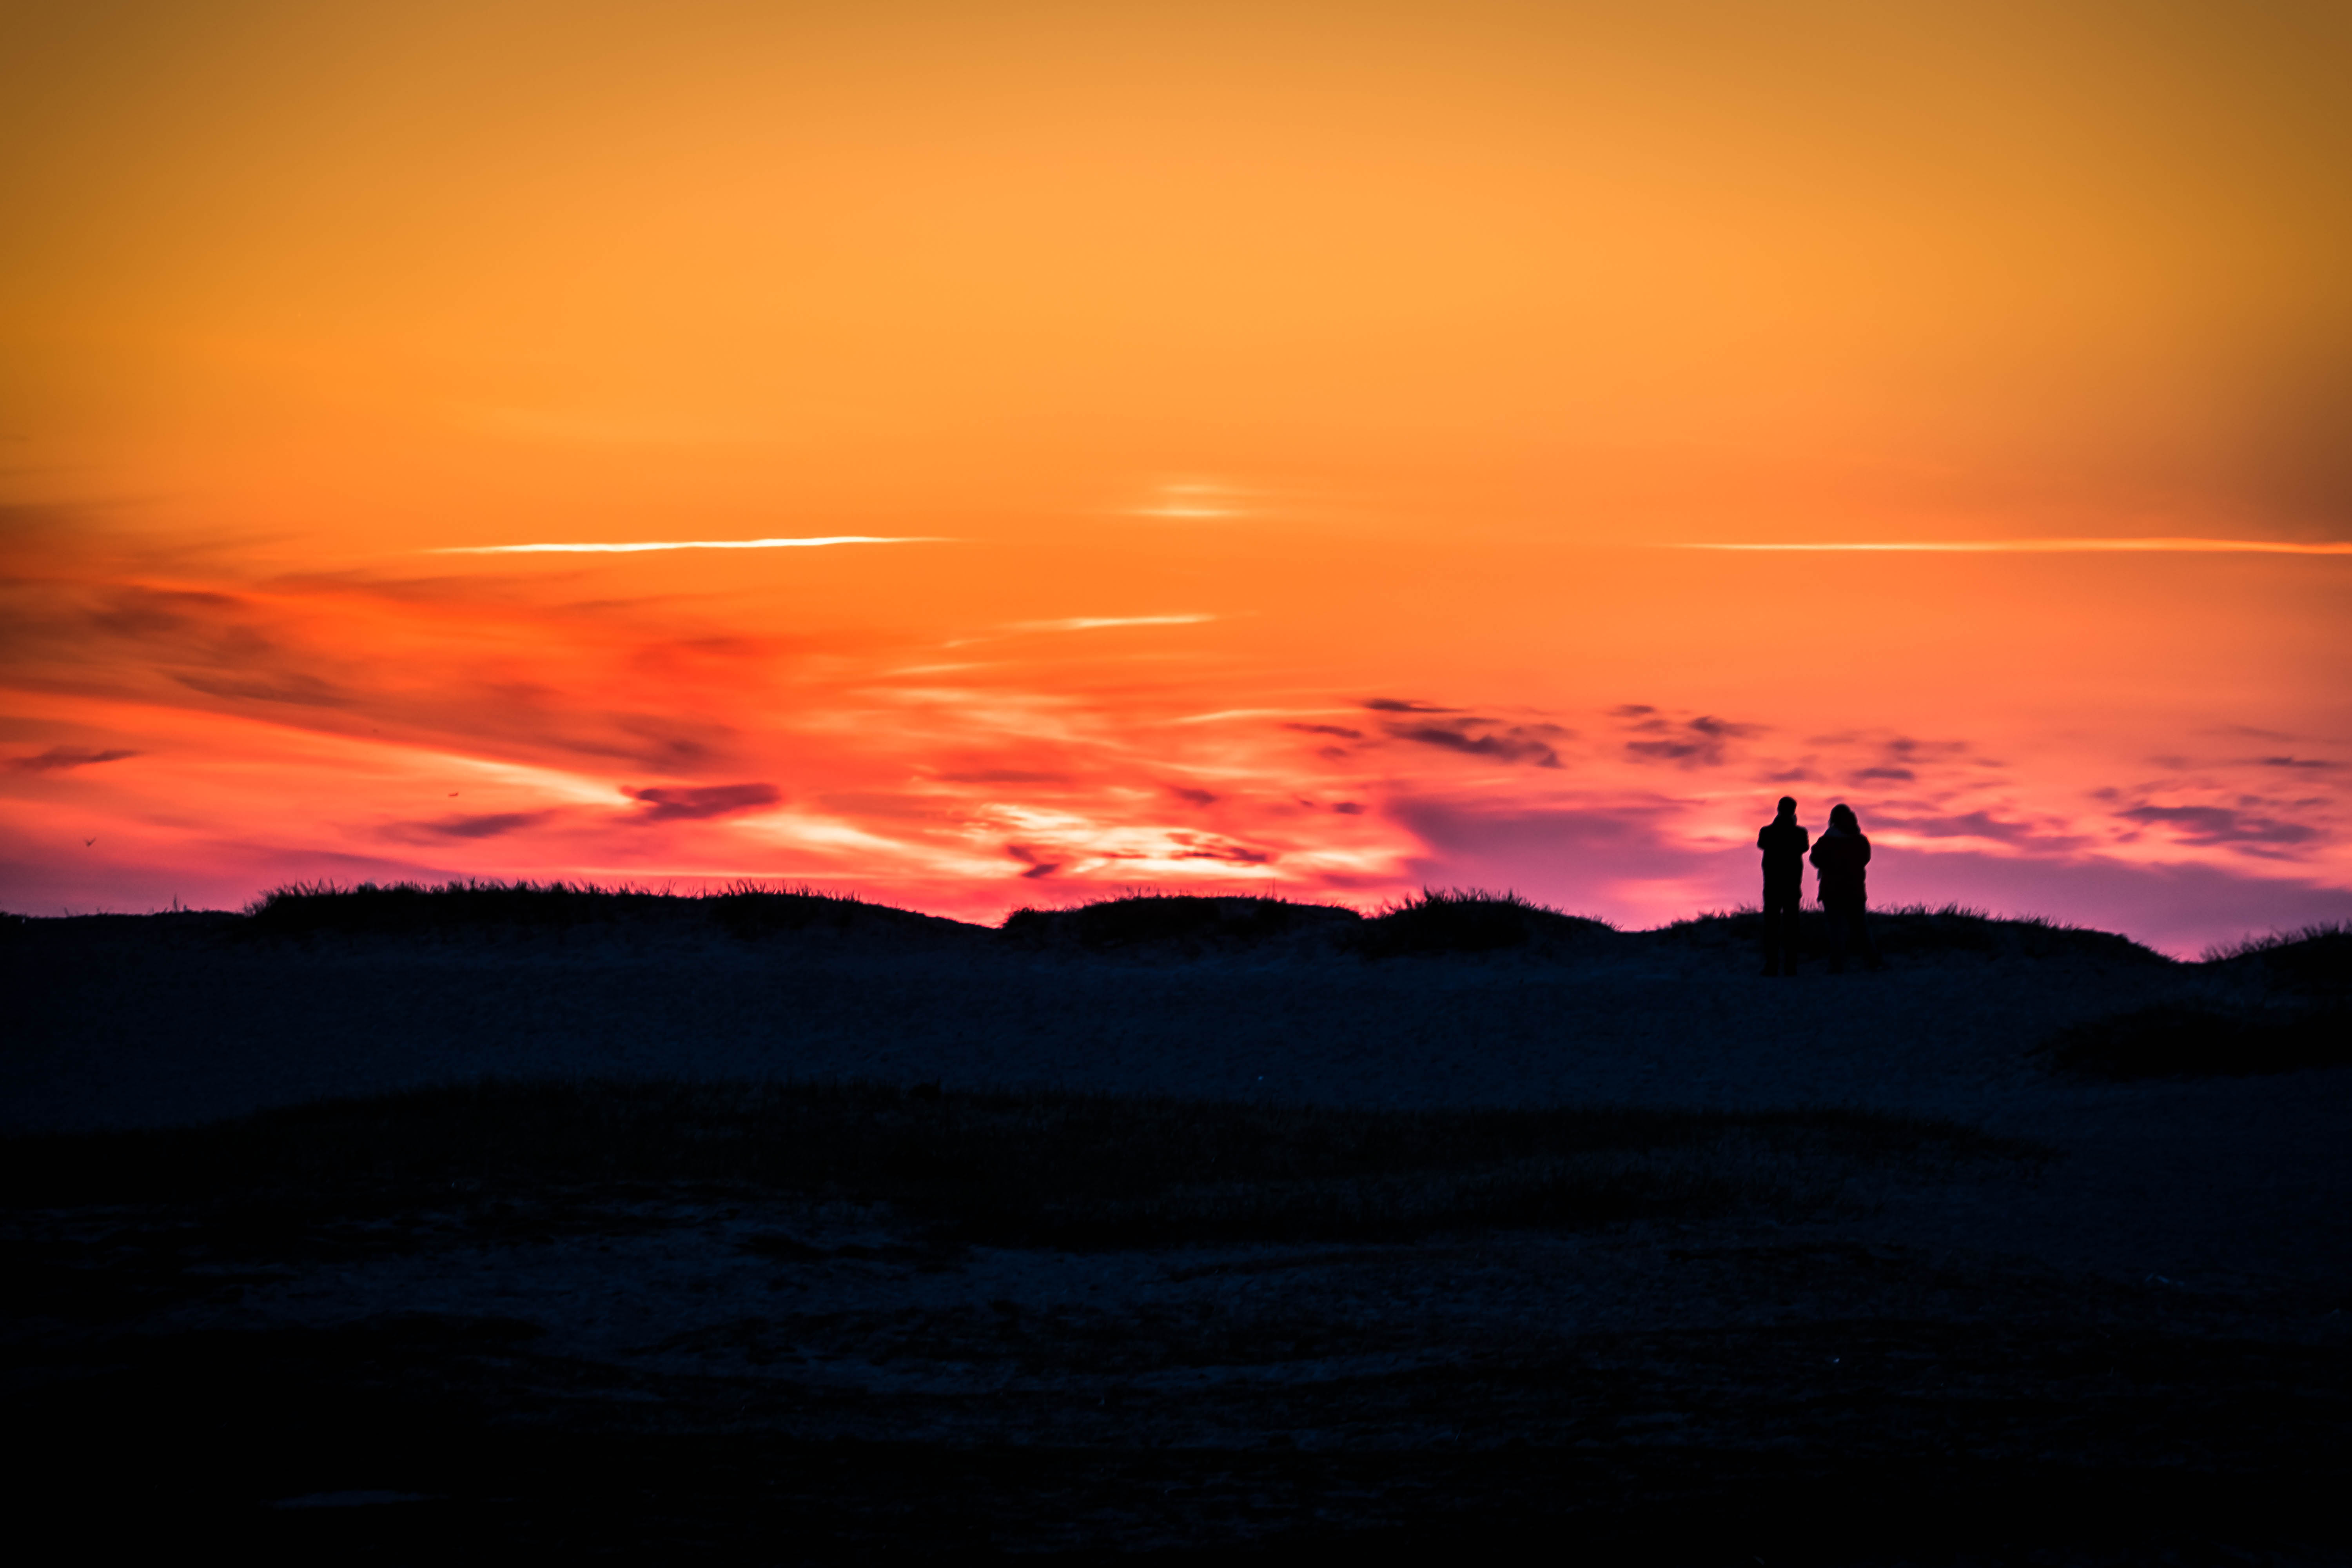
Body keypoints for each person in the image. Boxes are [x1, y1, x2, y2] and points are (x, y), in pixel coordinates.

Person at [1809, 802, 1883, 971]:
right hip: (1855, 890)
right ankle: (1873, 962)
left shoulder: (1827, 840)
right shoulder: (1860, 840)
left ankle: (1837, 965)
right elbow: (1865, 859)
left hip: (1832, 891)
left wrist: (1832, 863)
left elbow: (1815, 859)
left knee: (1836, 930)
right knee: (1862, 928)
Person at [1755, 796, 1808, 976]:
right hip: (1792, 884)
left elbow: (1762, 844)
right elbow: (1804, 848)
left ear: (1778, 809)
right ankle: (1790, 967)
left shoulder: (1767, 831)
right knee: (1791, 926)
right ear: (1794, 811)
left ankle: (1772, 966)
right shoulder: (1800, 833)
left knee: (1771, 926)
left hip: (1772, 884)